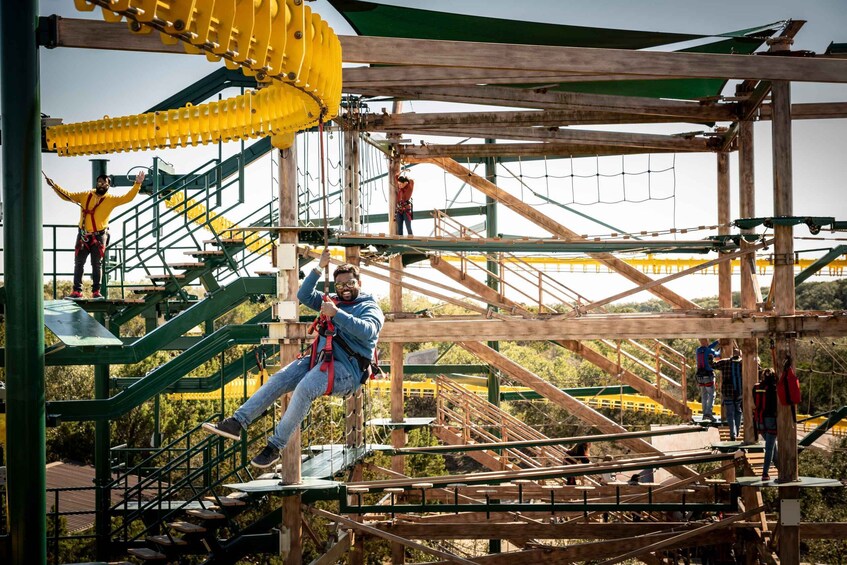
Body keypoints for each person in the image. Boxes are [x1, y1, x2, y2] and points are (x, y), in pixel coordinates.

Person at [203, 249, 385, 469]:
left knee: (305, 388)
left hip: (348, 372)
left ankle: (274, 447)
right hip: (322, 359)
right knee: (279, 379)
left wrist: (336, 314)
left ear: (359, 283)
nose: (345, 289)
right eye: (340, 286)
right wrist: (318, 268)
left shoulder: (369, 308)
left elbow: (368, 331)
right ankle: (236, 422)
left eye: (350, 284)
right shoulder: (334, 301)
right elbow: (304, 296)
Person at [45, 170, 145, 299]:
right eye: (100, 182)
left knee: (96, 263)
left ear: (108, 186)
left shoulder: (111, 200)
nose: (102, 185)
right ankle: (77, 291)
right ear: (96, 183)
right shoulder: (85, 195)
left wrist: (137, 184)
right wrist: (54, 186)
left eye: (105, 184)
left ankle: (96, 292)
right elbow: (67, 196)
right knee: (79, 262)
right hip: (83, 234)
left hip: (99, 236)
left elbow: (127, 198)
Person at [753, 368, 778, 481]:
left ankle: (780, 468)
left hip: (759, 420)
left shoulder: (756, 387)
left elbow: (755, 402)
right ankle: (765, 473)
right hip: (771, 419)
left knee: (773, 447)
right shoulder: (774, 388)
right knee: (769, 448)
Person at [715, 348, 743, 441]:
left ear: (732, 354)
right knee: (738, 412)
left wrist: (710, 358)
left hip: (727, 392)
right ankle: (737, 432)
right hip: (739, 391)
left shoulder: (725, 362)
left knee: (730, 414)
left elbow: (712, 365)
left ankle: (733, 434)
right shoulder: (742, 363)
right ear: (740, 355)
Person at [694, 338, 721, 421]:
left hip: (700, 377)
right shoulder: (710, 351)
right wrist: (720, 348)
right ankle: (708, 413)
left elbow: (708, 348)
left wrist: (717, 342)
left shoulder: (698, 350)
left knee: (704, 396)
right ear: (706, 341)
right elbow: (717, 354)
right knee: (712, 395)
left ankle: (704, 414)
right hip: (708, 376)